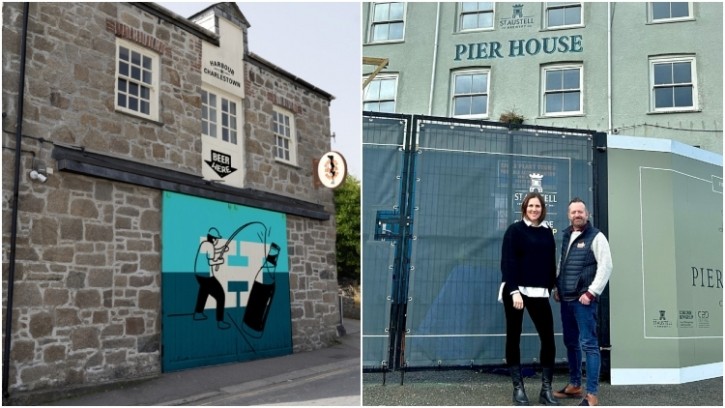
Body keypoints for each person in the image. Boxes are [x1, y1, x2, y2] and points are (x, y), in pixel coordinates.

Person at [500, 192, 560, 406]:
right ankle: (518, 390)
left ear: (543, 209)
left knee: (548, 340)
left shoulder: (547, 233)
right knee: (513, 337)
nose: (534, 209)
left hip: (539, 293)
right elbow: (507, 262)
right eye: (530, 205)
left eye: (538, 206)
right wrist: (514, 290)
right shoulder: (514, 230)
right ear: (524, 207)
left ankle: (546, 390)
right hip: (516, 292)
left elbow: (550, 263)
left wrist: (554, 286)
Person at [553, 198, 613, 406]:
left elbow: (606, 266)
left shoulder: (596, 236)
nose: (577, 215)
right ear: (569, 215)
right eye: (573, 212)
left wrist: (591, 293)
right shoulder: (566, 235)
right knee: (571, 343)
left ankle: (592, 395)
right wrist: (557, 288)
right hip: (566, 299)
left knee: (589, 345)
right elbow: (563, 264)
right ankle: (575, 385)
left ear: (587, 214)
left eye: (580, 212)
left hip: (583, 301)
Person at [194, 227, 231, 329]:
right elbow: (210, 261)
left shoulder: (205, 244)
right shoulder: (210, 246)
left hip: (199, 274)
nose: (217, 241)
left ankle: (198, 313)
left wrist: (222, 249)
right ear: (214, 239)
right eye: (217, 239)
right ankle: (220, 321)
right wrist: (220, 261)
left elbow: (211, 252)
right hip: (206, 276)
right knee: (221, 296)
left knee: (204, 292)